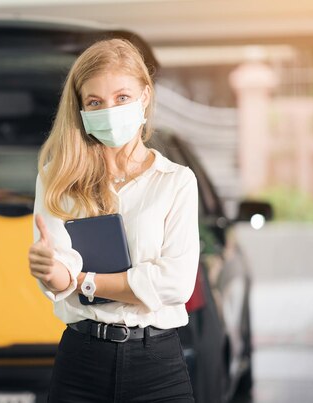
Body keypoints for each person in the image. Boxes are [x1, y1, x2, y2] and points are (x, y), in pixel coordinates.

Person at [28, 39, 199, 402]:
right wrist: (50, 271)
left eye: (122, 97)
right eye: (95, 103)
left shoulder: (175, 181)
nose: (109, 111)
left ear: (145, 97)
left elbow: (176, 284)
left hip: (157, 366)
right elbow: (60, 276)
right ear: (81, 110)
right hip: (81, 362)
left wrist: (83, 281)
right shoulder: (56, 179)